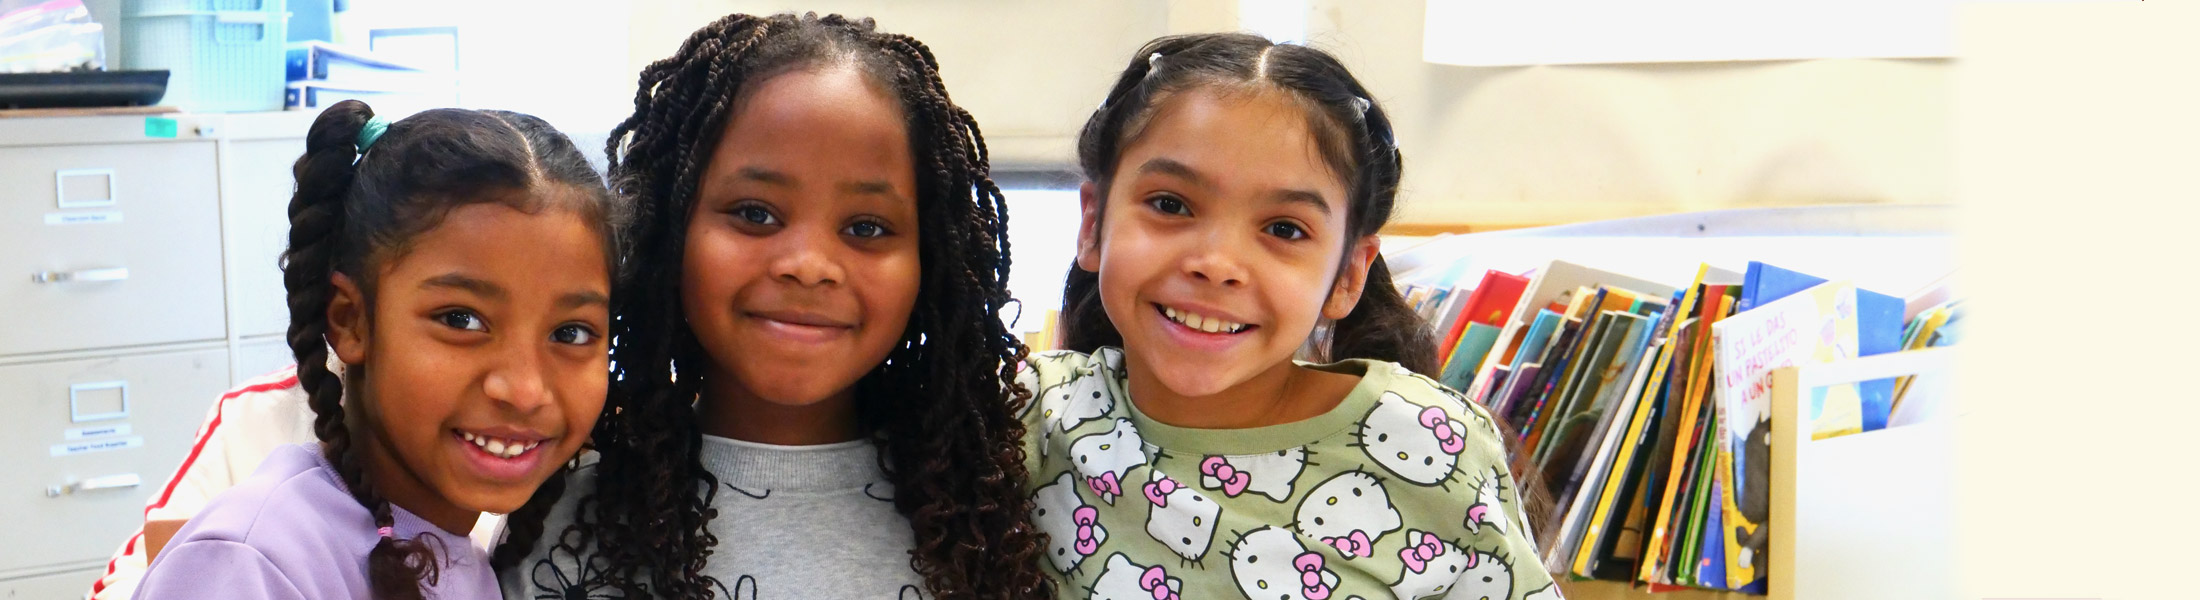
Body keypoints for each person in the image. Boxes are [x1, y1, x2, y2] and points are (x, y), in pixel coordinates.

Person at [503, 13, 1047, 600]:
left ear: (931, 263)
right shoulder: (547, 518)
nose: (808, 265)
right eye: (755, 213)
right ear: (669, 232)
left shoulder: (986, 525)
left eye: (866, 227)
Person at [1021, 33, 1563, 600]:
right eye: (1170, 204)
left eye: (1284, 229)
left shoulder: (1432, 443)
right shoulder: (1026, 420)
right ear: (1092, 225)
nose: (1217, 265)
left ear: (1348, 276)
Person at [133, 100, 627, 600]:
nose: (524, 390)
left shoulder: (462, 559)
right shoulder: (251, 563)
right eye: (461, 320)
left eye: (571, 333)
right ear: (350, 320)